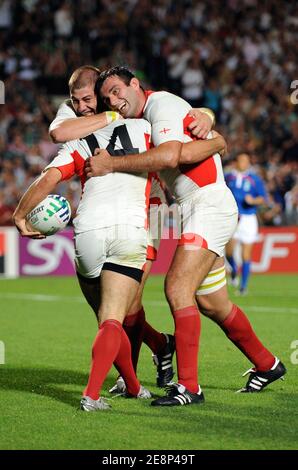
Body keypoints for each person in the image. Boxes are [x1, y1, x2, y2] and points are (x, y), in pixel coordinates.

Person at [86, 66, 286, 406]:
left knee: (177, 287)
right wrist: (215, 136)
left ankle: (190, 387)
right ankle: (268, 365)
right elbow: (188, 144)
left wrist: (111, 165)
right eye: (108, 98)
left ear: (136, 84)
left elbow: (171, 154)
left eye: (118, 91)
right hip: (195, 208)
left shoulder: (160, 104)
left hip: (208, 204)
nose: (115, 101)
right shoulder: (145, 119)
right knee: (212, 303)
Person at [49, 65, 218, 391]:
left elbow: (179, 111)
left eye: (89, 99)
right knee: (121, 305)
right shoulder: (81, 111)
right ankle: (157, 347)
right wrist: (107, 119)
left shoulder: (126, 101)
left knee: (127, 298)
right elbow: (60, 132)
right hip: (108, 210)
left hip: (149, 204)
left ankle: (134, 373)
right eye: (78, 100)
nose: (84, 106)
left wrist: (208, 116)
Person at [225, 153, 267, 294]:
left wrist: (253, 201)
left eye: (246, 161)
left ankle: (243, 287)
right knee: (229, 251)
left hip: (248, 219)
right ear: (236, 162)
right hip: (232, 217)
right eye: (241, 160)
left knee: (246, 254)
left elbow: (262, 198)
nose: (244, 163)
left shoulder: (255, 179)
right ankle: (234, 269)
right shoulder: (228, 177)